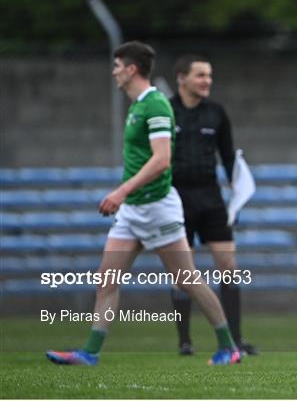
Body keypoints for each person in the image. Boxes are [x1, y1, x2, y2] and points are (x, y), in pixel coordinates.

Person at [46, 41, 240, 366]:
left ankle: (228, 346)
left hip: (157, 207)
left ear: (131, 69)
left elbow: (162, 160)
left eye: (117, 66)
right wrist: (126, 198)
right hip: (133, 210)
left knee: (186, 279)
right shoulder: (136, 105)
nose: (114, 72)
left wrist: (120, 192)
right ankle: (89, 352)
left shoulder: (155, 106)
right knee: (106, 280)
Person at [169, 54, 257, 356]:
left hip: (211, 198)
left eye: (209, 75)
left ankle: (235, 339)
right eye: (200, 75)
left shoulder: (217, 113)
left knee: (229, 266)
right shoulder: (165, 111)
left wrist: (238, 188)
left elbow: (229, 156)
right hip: (175, 198)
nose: (207, 81)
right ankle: (185, 341)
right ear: (182, 78)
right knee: (183, 271)